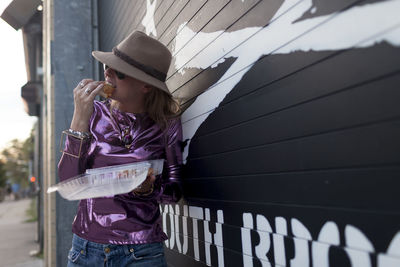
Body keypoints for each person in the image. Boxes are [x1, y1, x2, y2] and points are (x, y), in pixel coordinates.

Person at [58, 31, 183, 267]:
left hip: (141, 252)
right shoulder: (93, 114)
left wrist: (148, 187)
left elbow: (174, 191)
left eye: (119, 72)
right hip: (86, 250)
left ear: (146, 85)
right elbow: (67, 181)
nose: (107, 73)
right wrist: (78, 120)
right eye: (108, 66)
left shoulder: (167, 125)